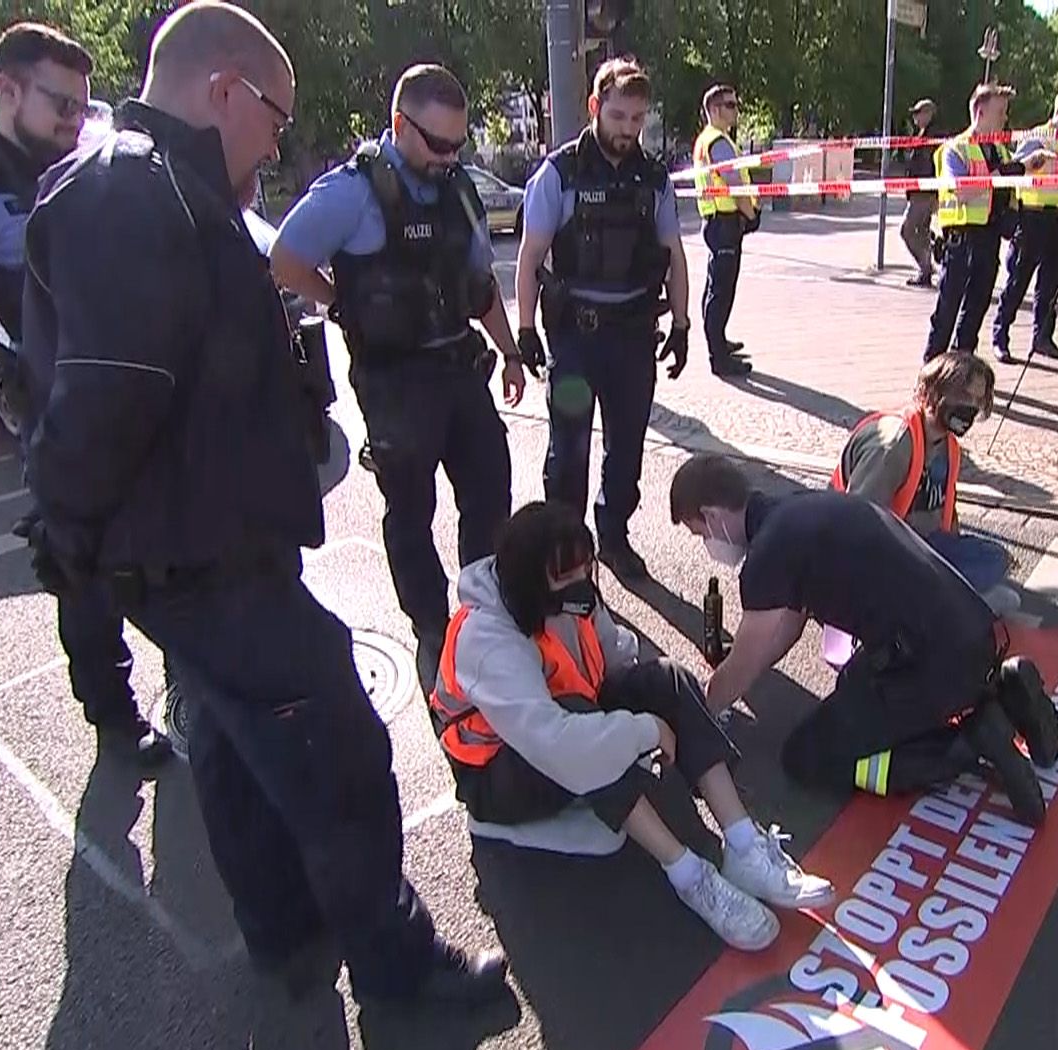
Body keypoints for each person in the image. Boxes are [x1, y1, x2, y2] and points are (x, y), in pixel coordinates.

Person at [19, 0, 506, 1008]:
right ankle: (401, 966)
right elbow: (107, 384)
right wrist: (64, 529)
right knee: (344, 752)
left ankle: (285, 932)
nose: (280, 139)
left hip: (201, 543)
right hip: (207, 554)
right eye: (277, 118)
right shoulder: (131, 190)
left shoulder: (161, 187)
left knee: (238, 750)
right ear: (224, 90)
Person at [0, 24, 171, 766]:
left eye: (82, 107)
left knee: (171, 533)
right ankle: (114, 715)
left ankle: (192, 680)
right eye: (58, 102)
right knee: (81, 566)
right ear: (8, 91)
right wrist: (34, 282)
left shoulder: (89, 169)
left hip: (127, 387)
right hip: (54, 401)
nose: (71, 120)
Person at [431, 502, 833, 951]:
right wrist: (644, 731)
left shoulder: (564, 591)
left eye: (585, 569)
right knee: (585, 728)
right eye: (568, 576)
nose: (582, 584)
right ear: (530, 582)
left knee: (666, 677)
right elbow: (558, 743)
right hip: (494, 778)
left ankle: (744, 845)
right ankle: (688, 875)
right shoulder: (487, 641)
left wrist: (654, 703)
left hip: (560, 727)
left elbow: (616, 655)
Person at [270, 64, 526, 677]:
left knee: (490, 495)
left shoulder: (458, 189)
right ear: (398, 124)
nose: (448, 156)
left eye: (458, 144)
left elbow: (479, 284)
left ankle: (483, 614)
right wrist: (340, 302)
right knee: (410, 515)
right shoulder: (352, 192)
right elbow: (285, 259)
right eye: (437, 143)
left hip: (460, 369)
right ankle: (433, 630)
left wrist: (512, 352)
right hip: (394, 385)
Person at [670, 454, 1058, 825]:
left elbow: (743, 661)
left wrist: (700, 714)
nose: (706, 543)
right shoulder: (799, 510)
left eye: (699, 531)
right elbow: (784, 631)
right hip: (973, 634)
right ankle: (1001, 688)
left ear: (712, 515)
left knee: (807, 758)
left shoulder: (767, 558)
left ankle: (967, 743)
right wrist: (739, 675)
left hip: (928, 665)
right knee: (853, 690)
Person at [514, 59, 690, 581]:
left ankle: (613, 536)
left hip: (632, 340)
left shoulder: (653, 179)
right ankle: (567, 549)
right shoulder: (559, 173)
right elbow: (529, 255)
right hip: (575, 340)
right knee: (569, 451)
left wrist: (681, 325)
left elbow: (674, 255)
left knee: (627, 448)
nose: (627, 130)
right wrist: (524, 329)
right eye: (618, 116)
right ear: (595, 107)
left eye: (637, 119)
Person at [830, 350, 1018, 616]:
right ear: (933, 393)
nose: (972, 408)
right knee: (1003, 600)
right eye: (964, 397)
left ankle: (940, 600)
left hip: (920, 546)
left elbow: (946, 516)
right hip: (883, 556)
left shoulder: (948, 446)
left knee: (995, 559)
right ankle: (925, 607)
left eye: (978, 399)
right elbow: (856, 522)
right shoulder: (893, 444)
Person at [925, 85, 1054, 360]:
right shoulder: (955, 149)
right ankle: (930, 372)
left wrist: (1026, 170)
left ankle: (961, 372)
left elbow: (1008, 188)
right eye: (1000, 113)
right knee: (947, 312)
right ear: (980, 113)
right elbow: (962, 191)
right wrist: (1010, 171)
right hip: (960, 241)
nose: (1005, 119)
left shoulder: (1002, 152)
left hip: (989, 239)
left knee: (975, 312)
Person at [991, 85, 1058, 366]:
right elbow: (1016, 168)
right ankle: (1001, 337)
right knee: (1017, 283)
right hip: (1033, 218)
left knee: (1050, 286)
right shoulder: (1039, 136)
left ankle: (1043, 338)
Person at [690, 84, 756, 378]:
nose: (736, 110)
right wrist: (751, 213)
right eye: (730, 105)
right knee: (722, 289)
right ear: (715, 109)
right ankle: (719, 357)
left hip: (716, 221)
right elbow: (734, 183)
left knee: (715, 286)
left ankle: (718, 341)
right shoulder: (718, 142)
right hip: (725, 221)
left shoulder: (709, 140)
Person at [897, 98, 940, 287]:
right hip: (919, 191)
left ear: (929, 114)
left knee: (907, 230)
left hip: (924, 192)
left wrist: (936, 192)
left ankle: (926, 266)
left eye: (918, 113)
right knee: (921, 232)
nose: (914, 117)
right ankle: (926, 271)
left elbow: (933, 165)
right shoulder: (922, 134)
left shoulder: (933, 137)